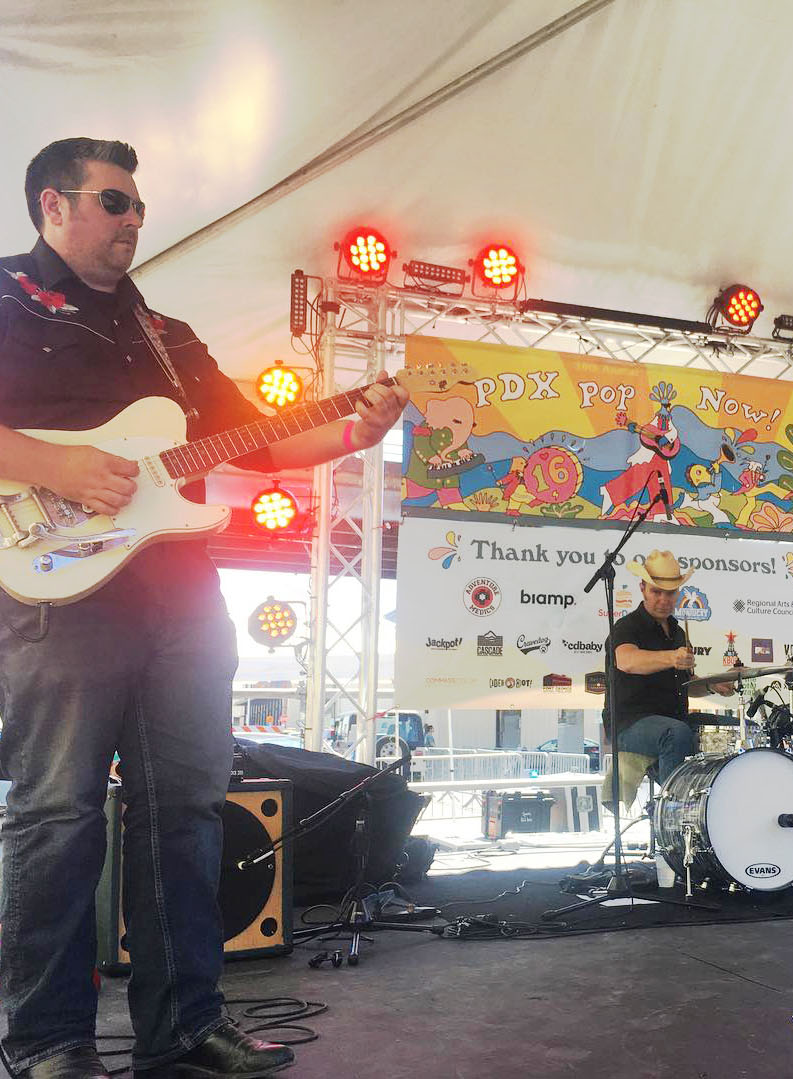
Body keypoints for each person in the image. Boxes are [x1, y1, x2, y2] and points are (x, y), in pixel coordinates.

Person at [0, 138, 409, 1079]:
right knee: (57, 815)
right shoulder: (7, 299)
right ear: (53, 205)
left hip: (181, 595)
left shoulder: (167, 334)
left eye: (139, 205)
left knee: (185, 810)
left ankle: (184, 1026)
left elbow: (254, 441)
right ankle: (49, 1041)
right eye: (114, 201)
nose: (134, 218)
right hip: (58, 592)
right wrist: (55, 464)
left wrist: (355, 429)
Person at [604, 550, 731, 784]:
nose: (664, 600)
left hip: (675, 719)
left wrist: (712, 686)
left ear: (678, 593)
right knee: (676, 733)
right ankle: (674, 801)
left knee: (736, 728)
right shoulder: (626, 627)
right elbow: (627, 661)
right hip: (629, 724)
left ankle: (717, 795)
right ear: (642, 588)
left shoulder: (678, 632)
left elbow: (685, 685)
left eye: (670, 593)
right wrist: (672, 657)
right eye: (656, 592)